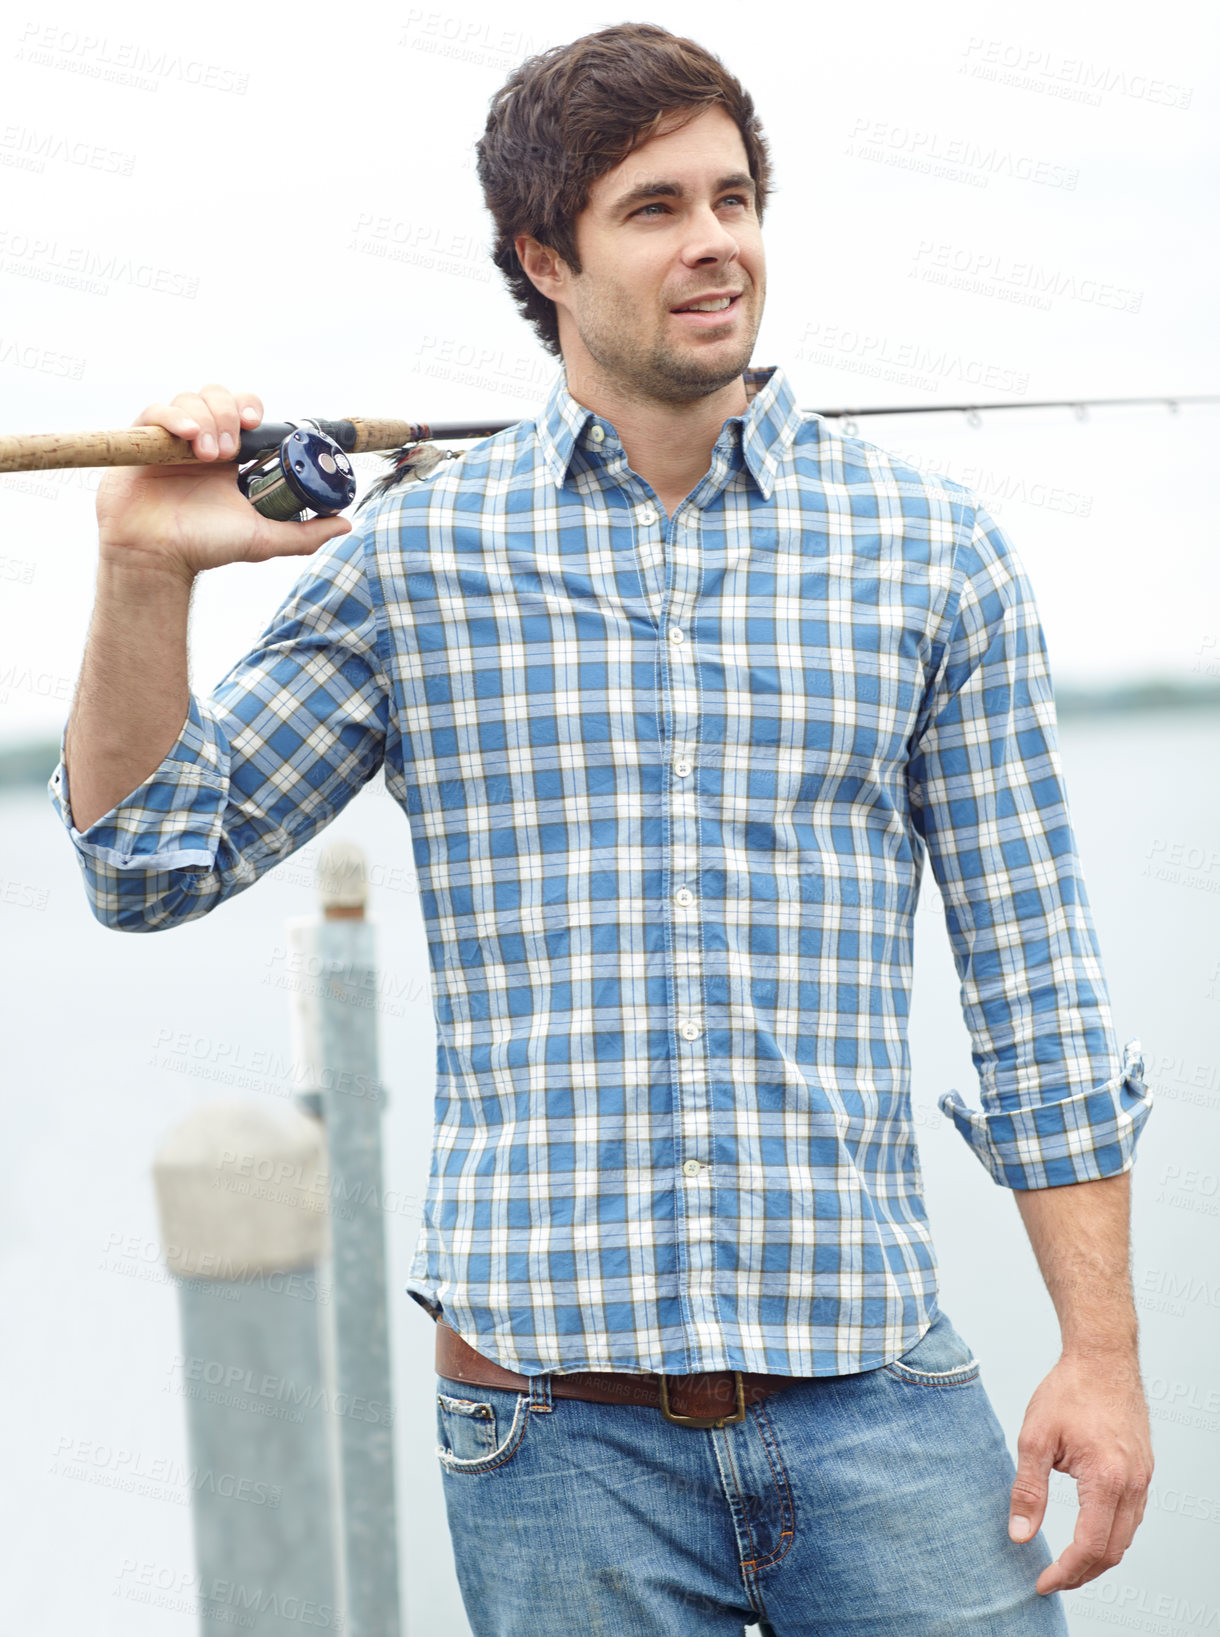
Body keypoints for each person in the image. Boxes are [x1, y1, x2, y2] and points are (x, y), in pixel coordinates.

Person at [51, 21, 1154, 1636]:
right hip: (552, 1441)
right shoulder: (415, 561)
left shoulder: (937, 555)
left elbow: (1038, 984)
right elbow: (147, 863)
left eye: (735, 197)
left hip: (882, 1400)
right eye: (654, 208)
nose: (716, 242)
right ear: (543, 258)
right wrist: (146, 574)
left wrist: (1102, 1354)